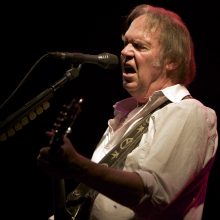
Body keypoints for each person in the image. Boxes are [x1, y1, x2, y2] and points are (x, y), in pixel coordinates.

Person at [37, 4, 218, 220]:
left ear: (171, 61)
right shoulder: (124, 117)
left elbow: (154, 195)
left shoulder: (189, 112)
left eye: (139, 46)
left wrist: (77, 165)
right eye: (125, 43)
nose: (124, 51)